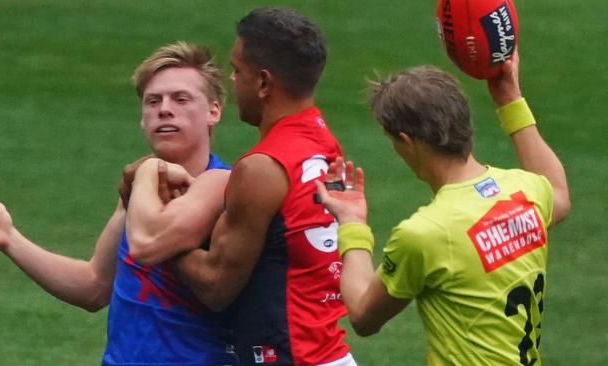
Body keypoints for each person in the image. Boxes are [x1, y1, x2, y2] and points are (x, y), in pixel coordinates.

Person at [0, 42, 239, 366]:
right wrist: (11, 239)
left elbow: (148, 244)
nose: (164, 109)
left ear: (214, 111)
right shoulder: (140, 190)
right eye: (153, 101)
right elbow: (94, 286)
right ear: (141, 119)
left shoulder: (227, 191)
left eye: (181, 99)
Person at [315, 53, 571, 365]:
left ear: (407, 142)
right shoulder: (526, 191)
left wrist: (352, 223)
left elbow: (362, 315)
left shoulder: (425, 233)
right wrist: (509, 98)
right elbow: (559, 194)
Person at [135, 7, 355, 366]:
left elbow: (215, 286)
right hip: (327, 352)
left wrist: (168, 229)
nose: (233, 82)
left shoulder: (262, 167)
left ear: (264, 83)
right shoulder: (323, 142)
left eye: (238, 71)